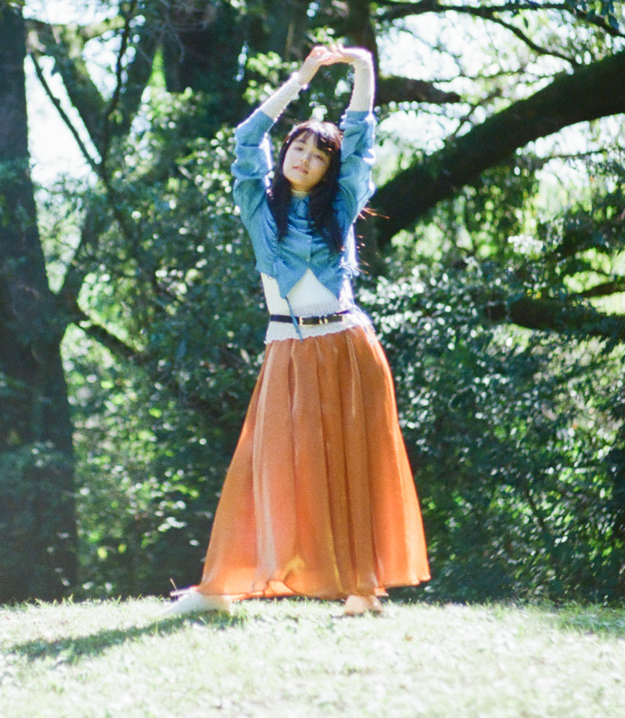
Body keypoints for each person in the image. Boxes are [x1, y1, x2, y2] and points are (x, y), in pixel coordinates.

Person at [165, 42, 430, 617]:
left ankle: (363, 589)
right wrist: (302, 78)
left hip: (346, 345)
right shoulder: (259, 206)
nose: (305, 158)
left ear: (331, 170)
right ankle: (221, 587)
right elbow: (246, 139)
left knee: (353, 465)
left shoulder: (341, 206)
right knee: (267, 465)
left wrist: (362, 67)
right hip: (287, 347)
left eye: (318, 154)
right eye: (298, 146)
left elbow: (360, 137)